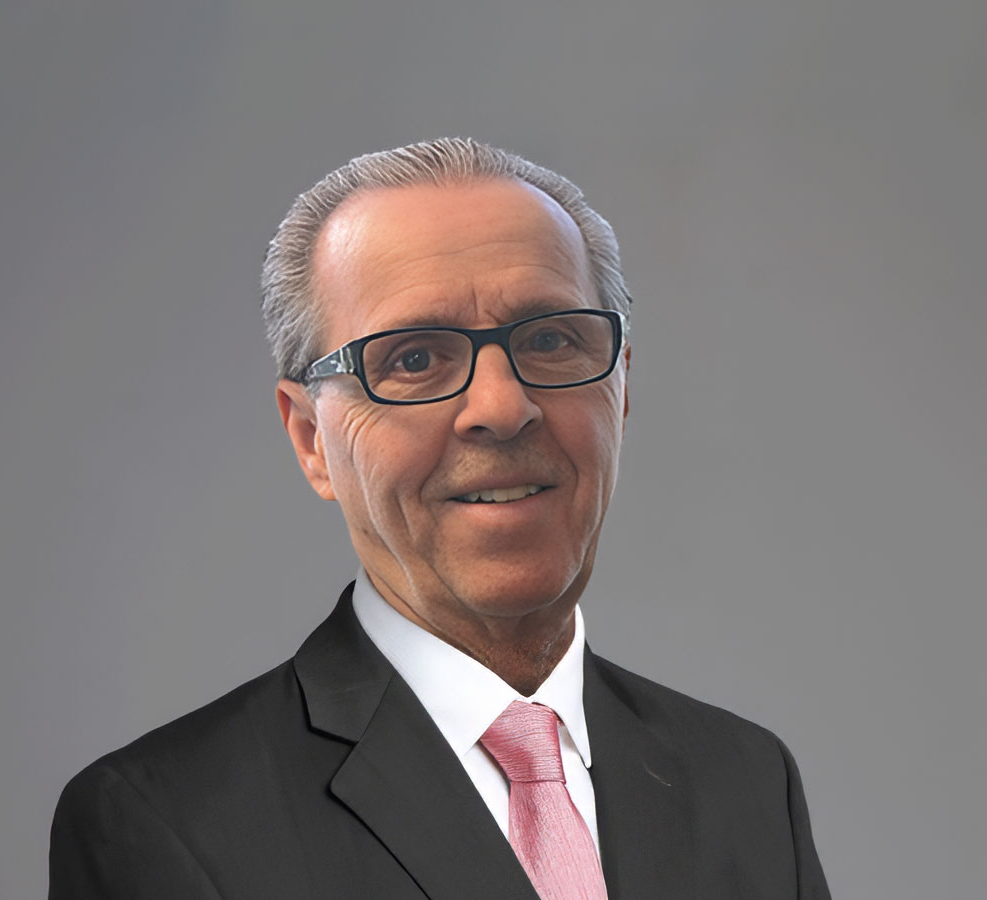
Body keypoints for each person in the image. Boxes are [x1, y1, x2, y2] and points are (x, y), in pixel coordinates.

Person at [49, 138, 831, 899]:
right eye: (415, 359)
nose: (501, 407)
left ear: (621, 390)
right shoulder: (163, 824)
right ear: (311, 440)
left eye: (552, 339)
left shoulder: (748, 781)